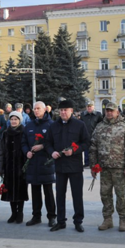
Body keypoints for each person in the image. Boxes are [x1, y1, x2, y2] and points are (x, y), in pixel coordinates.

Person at [44, 99, 90, 232]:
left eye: (66, 110)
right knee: (60, 195)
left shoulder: (79, 125)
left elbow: (86, 143)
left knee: (77, 194)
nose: (63, 112)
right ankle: (60, 221)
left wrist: (74, 150)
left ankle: (78, 221)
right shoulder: (53, 126)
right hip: (60, 166)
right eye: (61, 110)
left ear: (71, 111)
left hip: (75, 165)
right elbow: (47, 143)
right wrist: (51, 152)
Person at [89, 102, 125, 232]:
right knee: (105, 194)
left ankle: (122, 219)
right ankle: (107, 219)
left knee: (120, 195)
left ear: (117, 112)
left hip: (119, 168)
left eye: (112, 110)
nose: (109, 113)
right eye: (107, 110)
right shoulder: (99, 127)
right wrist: (93, 166)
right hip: (104, 168)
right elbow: (93, 147)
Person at [22, 101, 56, 227]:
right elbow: (24, 142)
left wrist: (42, 146)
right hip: (33, 163)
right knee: (35, 192)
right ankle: (36, 216)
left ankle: (52, 216)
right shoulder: (29, 125)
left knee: (48, 192)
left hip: (45, 162)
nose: (36, 111)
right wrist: (27, 152)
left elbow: (54, 142)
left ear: (44, 110)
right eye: (34, 109)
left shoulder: (51, 125)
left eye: (38, 108)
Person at [1, 112, 29, 223]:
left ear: (19, 120)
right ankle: (13, 213)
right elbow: (2, 149)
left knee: (20, 189)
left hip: (20, 165)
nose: (13, 121)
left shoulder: (24, 132)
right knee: (10, 190)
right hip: (8, 166)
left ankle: (20, 212)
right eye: (12, 119)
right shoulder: (5, 133)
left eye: (15, 119)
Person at [80, 101, 103, 166]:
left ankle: (96, 163)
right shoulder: (83, 114)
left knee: (96, 150)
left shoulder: (98, 114)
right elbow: (81, 125)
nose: (89, 108)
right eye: (88, 106)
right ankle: (87, 163)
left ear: (93, 107)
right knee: (86, 150)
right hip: (86, 135)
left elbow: (101, 124)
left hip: (95, 135)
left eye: (90, 106)